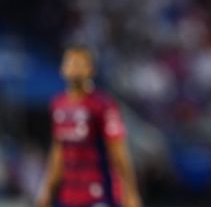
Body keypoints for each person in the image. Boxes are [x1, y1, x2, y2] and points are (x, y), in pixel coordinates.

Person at [37, 46, 141, 207]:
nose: (74, 67)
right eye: (71, 62)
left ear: (90, 70)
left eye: (80, 63)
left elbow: (119, 152)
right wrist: (47, 189)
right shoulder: (58, 105)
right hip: (68, 195)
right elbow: (58, 151)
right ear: (62, 69)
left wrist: (131, 192)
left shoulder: (102, 105)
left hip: (99, 194)